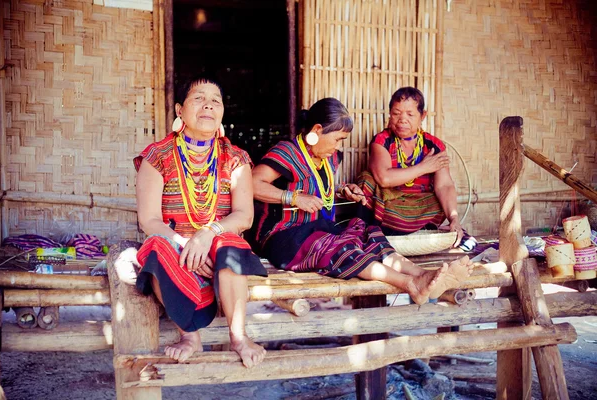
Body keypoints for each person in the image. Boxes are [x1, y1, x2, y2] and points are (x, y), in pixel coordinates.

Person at [251, 97, 473, 304]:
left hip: (316, 229)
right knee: (339, 247)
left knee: (367, 232)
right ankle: (411, 284)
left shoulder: (326, 158)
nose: (338, 146)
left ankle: (424, 275)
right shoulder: (288, 152)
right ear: (317, 130)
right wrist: (293, 197)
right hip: (283, 237)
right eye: (337, 139)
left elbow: (316, 188)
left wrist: (343, 190)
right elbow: (251, 184)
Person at [133, 75, 267, 367]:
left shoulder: (235, 158)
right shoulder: (157, 156)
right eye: (199, 98)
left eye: (215, 101)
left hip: (218, 247)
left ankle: (239, 336)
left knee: (231, 242)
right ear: (180, 110)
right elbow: (149, 219)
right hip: (176, 248)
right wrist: (185, 245)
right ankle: (189, 336)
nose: (208, 106)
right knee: (156, 246)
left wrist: (208, 234)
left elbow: (244, 216)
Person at [358, 87, 463, 245]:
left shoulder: (433, 145)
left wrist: (454, 218)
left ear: (423, 116)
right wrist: (423, 167)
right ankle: (365, 235)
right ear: (389, 115)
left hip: (420, 209)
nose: (402, 119)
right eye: (396, 113)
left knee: (439, 199)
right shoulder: (382, 140)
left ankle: (421, 231)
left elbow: (445, 185)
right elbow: (384, 178)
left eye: (410, 114)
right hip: (389, 209)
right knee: (367, 180)